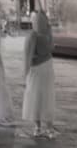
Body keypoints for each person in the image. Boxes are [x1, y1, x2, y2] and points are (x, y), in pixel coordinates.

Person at [22, 10, 56, 138]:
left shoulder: (32, 36)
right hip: (48, 68)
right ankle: (50, 129)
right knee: (48, 97)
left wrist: (24, 76)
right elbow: (52, 48)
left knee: (36, 98)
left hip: (37, 70)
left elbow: (28, 57)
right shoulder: (48, 33)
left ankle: (37, 128)